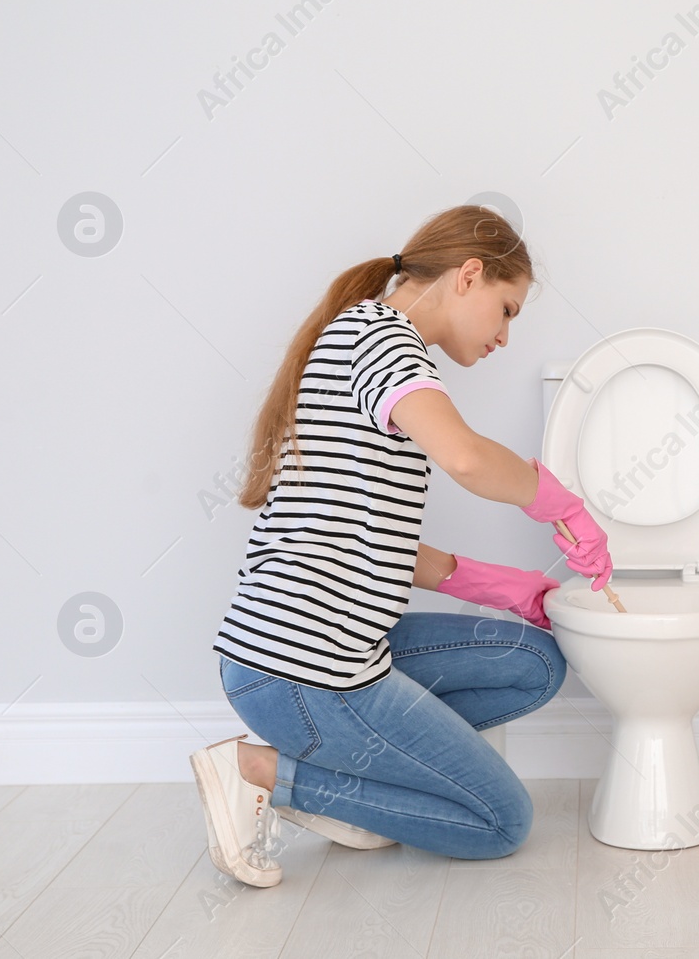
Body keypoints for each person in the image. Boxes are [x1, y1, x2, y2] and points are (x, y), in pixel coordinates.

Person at [188, 204, 614, 888]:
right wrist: (562, 503)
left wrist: (504, 587)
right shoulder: (382, 342)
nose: (505, 335)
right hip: (305, 672)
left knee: (533, 661)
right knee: (500, 820)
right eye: (507, 310)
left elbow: (375, 540)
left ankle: (368, 780)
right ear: (468, 276)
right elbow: (466, 457)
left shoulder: (367, 339)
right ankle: (260, 771)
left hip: (329, 652)